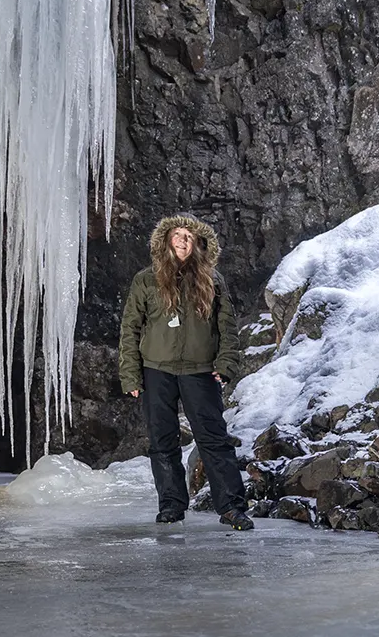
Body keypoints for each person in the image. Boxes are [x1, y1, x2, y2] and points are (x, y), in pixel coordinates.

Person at [119, 213, 254, 530]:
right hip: (156, 371)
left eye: (189, 236)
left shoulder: (212, 280)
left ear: (198, 244)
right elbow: (130, 329)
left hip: (200, 371)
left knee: (214, 440)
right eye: (177, 234)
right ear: (166, 240)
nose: (182, 240)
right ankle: (171, 505)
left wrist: (226, 364)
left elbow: (227, 328)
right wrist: (130, 375)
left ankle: (232, 507)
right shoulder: (146, 280)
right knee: (162, 442)